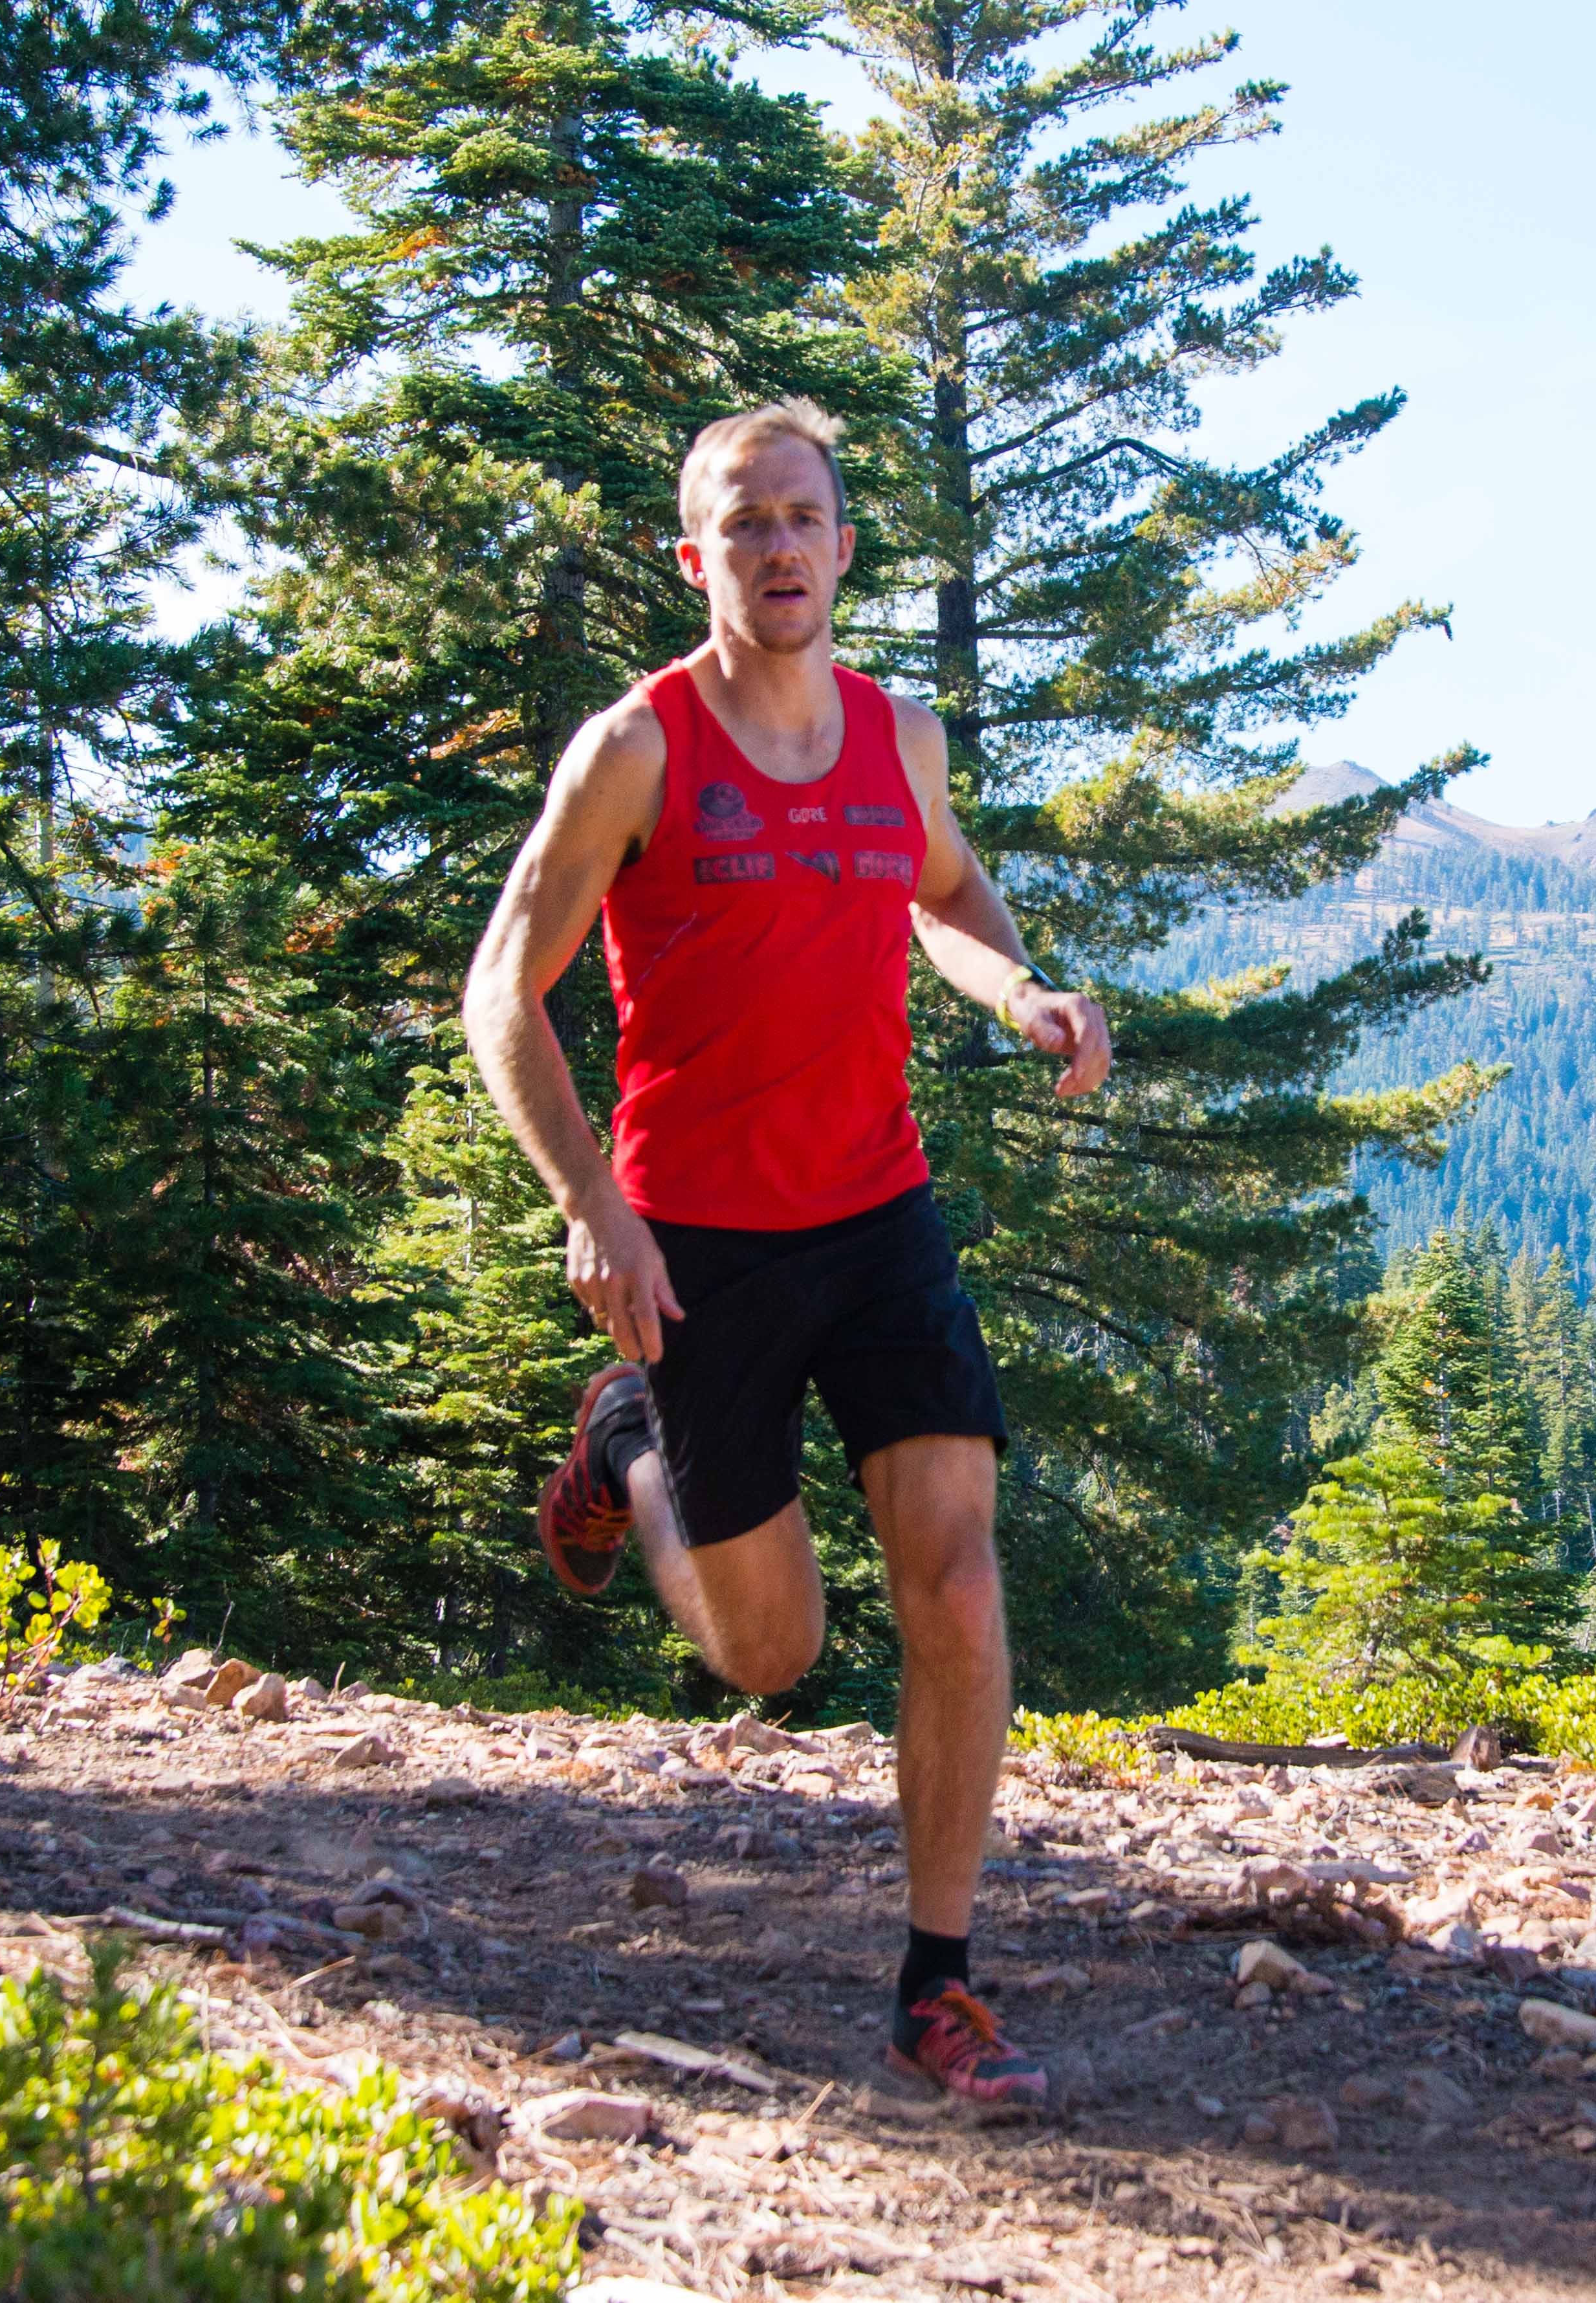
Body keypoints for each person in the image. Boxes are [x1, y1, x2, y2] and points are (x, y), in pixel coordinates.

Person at [461, 397, 1110, 2112]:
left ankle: (938, 1983)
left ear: (842, 545)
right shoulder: (635, 750)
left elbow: (945, 899)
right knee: (772, 1658)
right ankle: (626, 1438)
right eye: (740, 524)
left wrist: (1019, 989)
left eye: (801, 517)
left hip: (875, 1216)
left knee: (956, 1578)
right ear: (699, 559)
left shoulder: (899, 737)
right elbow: (497, 992)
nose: (775, 548)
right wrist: (595, 1207)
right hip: (700, 1248)